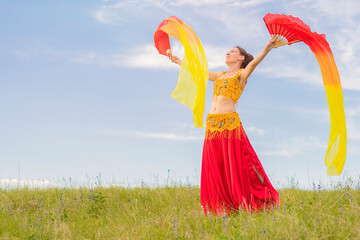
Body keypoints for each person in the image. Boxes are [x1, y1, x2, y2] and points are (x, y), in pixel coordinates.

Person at [168, 37, 281, 215]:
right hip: (212, 126)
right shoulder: (220, 75)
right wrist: (178, 61)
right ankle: (223, 207)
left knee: (237, 164)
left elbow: (253, 65)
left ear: (240, 58)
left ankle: (257, 199)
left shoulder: (241, 75)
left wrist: (267, 48)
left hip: (229, 125)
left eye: (233, 51)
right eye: (228, 50)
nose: (228, 52)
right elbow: (199, 72)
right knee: (216, 165)